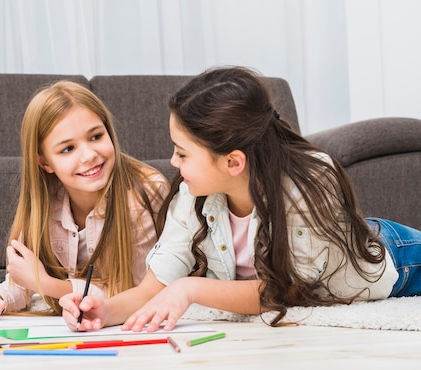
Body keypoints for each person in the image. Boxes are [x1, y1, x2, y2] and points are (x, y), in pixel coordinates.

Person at [60, 66, 421, 332]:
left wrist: (191, 288)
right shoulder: (193, 195)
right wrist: (105, 311)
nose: (173, 162)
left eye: (182, 153)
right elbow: (153, 288)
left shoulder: (307, 182)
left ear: (233, 162)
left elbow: (291, 291)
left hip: (391, 254)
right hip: (332, 241)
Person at [0, 80, 169, 321]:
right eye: (67, 149)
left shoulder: (144, 191)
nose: (89, 155)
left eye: (96, 136)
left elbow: (136, 292)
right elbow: (22, 282)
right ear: (45, 163)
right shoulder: (45, 200)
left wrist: (48, 285)